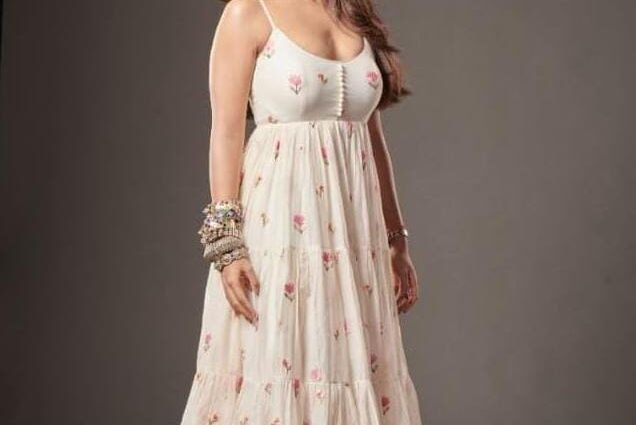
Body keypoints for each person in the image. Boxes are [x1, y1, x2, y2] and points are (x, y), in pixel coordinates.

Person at [180, 0, 423, 423]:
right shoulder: (249, 12)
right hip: (280, 230)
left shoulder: (351, 11)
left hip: (352, 239)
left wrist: (396, 239)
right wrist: (227, 244)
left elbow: (372, 139)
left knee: (350, 365)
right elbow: (226, 132)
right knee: (282, 358)